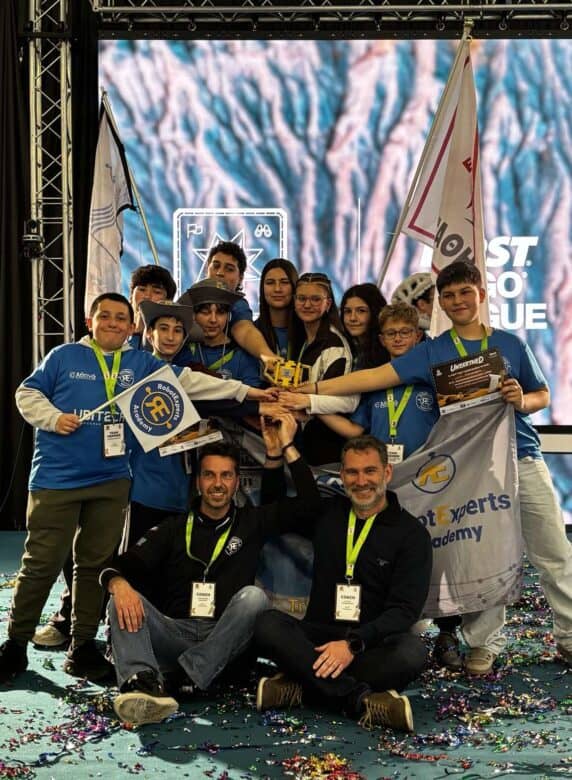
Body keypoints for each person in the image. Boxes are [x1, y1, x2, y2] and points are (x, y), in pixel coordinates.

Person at [290, 261, 572, 674]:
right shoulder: (432, 352)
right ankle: (484, 643)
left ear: (481, 294)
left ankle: (569, 636)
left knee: (554, 551)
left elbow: (542, 393)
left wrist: (522, 400)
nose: (458, 301)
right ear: (441, 302)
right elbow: (371, 378)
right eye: (449, 295)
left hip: (522, 457)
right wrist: (309, 391)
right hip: (471, 470)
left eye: (465, 293)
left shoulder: (510, 344)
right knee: (480, 552)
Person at [0, 293, 279, 685]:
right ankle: (15, 644)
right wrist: (52, 417)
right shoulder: (64, 356)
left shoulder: (141, 363)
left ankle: (83, 646)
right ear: (90, 321)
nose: (113, 323)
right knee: (42, 562)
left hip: (112, 480)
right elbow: (26, 393)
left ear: (132, 326)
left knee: (96, 564)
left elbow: (192, 382)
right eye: (105, 316)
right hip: (56, 479)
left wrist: (249, 393)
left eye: (121, 318)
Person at [104, 416, 320, 727]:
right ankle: (142, 685)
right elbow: (120, 565)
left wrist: (286, 446)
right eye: (209, 475)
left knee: (254, 597)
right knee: (120, 598)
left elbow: (311, 505)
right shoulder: (174, 527)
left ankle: (188, 675)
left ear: (236, 482)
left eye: (226, 475)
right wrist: (119, 584)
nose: (218, 484)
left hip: (226, 639)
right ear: (198, 481)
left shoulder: (252, 521)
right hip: (176, 634)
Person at [254, 435, 432, 732]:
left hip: (368, 645)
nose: (361, 481)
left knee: (412, 653)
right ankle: (359, 699)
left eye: (370, 471)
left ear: (387, 472)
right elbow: (275, 510)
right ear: (342, 475)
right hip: (318, 639)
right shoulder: (328, 513)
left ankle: (302, 685)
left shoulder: (412, 535)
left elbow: (404, 611)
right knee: (267, 624)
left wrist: (352, 644)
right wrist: (279, 451)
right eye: (352, 472)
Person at [320, 302, 459, 668]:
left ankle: (448, 631)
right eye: (391, 334)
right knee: (387, 554)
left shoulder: (431, 380)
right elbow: (357, 430)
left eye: (405, 333)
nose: (398, 339)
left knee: (440, 554)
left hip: (429, 482)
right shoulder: (375, 381)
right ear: (381, 339)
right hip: (383, 483)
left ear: (418, 337)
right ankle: (386, 624)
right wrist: (315, 407)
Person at [292, 272, 355, 465]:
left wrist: (303, 402)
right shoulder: (305, 339)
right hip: (309, 438)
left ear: (328, 304)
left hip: (328, 443)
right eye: (302, 298)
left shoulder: (334, 345)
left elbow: (340, 401)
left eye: (315, 299)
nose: (307, 305)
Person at [178, 241, 278, 363]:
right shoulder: (188, 297)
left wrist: (267, 356)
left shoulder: (238, 304)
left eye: (229, 269)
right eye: (216, 266)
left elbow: (244, 330)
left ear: (240, 278)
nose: (220, 273)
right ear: (206, 269)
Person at [183, 279, 264, 387]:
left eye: (220, 313)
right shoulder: (183, 350)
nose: (213, 320)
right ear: (194, 316)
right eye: (205, 312)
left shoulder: (242, 356)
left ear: (228, 316)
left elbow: (253, 393)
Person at [255, 258, 302, 362]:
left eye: (284, 282)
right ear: (262, 288)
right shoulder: (253, 332)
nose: (277, 289)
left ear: (295, 286)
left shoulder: (307, 332)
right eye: (270, 283)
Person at [340, 283, 389, 370]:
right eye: (348, 311)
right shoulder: (344, 349)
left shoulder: (388, 348)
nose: (352, 318)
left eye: (361, 311)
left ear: (375, 313)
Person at [129, 264, 177, 349]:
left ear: (168, 301)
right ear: (131, 296)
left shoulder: (173, 337)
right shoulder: (116, 329)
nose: (147, 296)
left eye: (156, 292)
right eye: (142, 289)